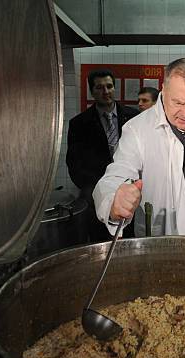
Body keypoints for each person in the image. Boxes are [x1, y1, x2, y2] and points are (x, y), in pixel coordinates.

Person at [93, 58, 185, 238]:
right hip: (164, 245)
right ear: (164, 89)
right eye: (178, 102)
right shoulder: (138, 129)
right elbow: (117, 173)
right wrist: (113, 202)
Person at [66, 69, 139, 241]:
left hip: (131, 194)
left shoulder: (134, 118)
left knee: (130, 243)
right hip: (96, 198)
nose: (105, 92)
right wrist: (99, 190)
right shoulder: (79, 124)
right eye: (99, 88)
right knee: (101, 244)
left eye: (109, 86)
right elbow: (74, 165)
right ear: (92, 91)